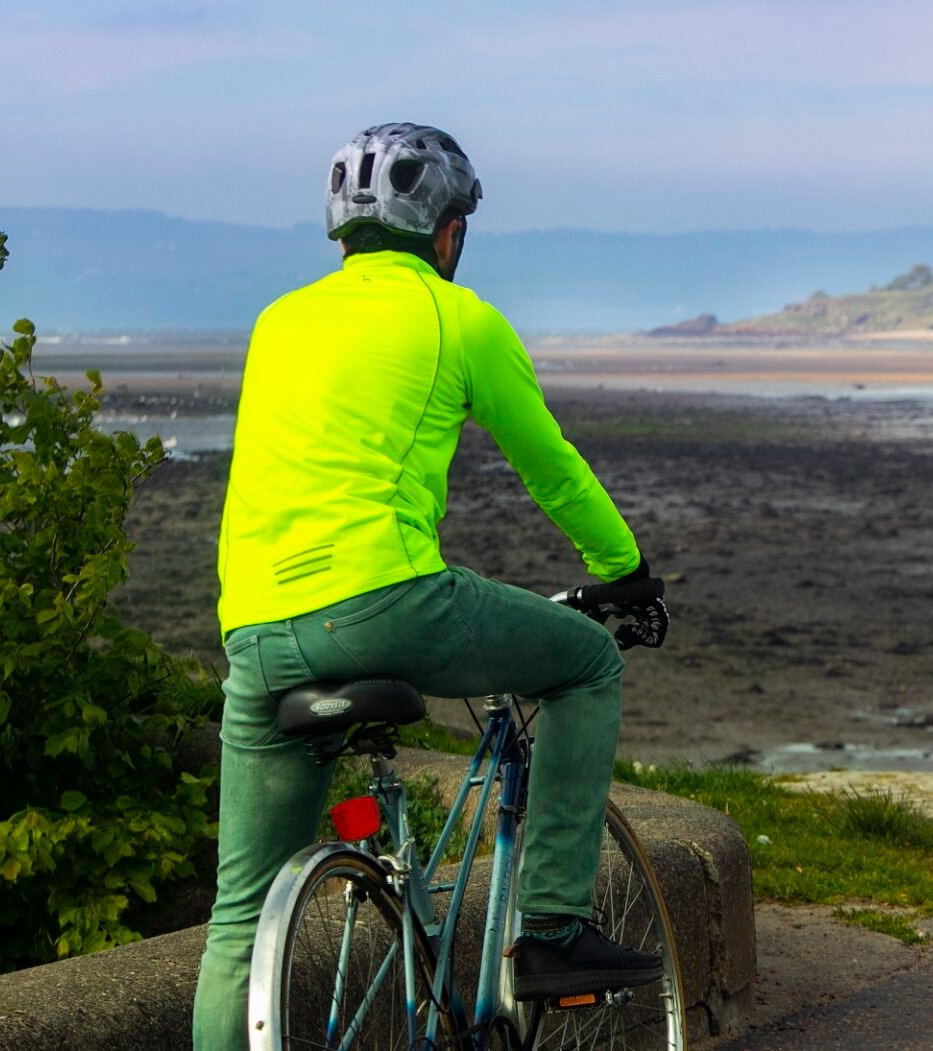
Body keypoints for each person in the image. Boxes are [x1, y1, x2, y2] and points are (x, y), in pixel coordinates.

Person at [191, 122, 666, 1050]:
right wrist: (624, 572)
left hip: (254, 633)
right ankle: (556, 929)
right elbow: (553, 469)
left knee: (240, 917)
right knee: (586, 662)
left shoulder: (277, 322)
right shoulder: (462, 319)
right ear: (447, 233)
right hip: (387, 605)